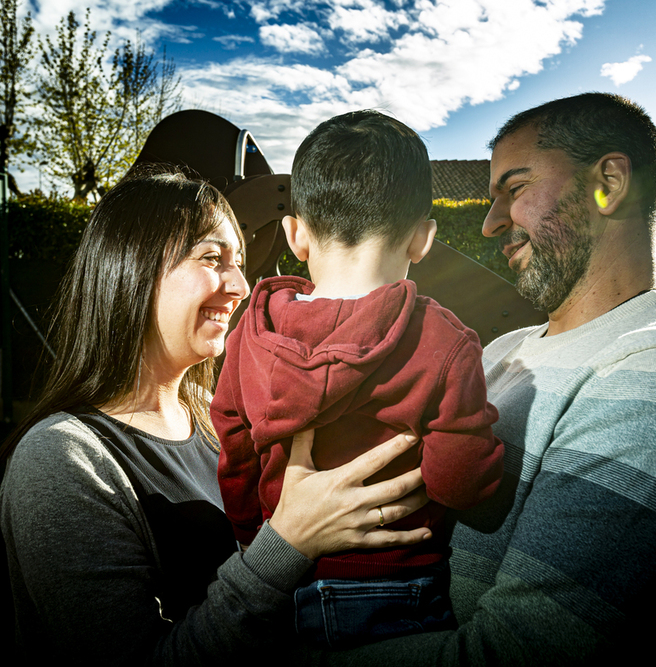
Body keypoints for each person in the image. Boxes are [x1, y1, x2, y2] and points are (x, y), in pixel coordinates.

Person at [312, 93, 656, 665]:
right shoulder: (503, 353)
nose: (490, 222)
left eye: (515, 188)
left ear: (610, 183)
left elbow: (513, 658)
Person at [0, 166, 432, 665]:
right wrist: (288, 542)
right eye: (212, 258)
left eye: (240, 262)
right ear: (131, 266)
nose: (242, 285)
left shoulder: (212, 417)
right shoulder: (61, 461)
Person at [212, 110, 504, 648]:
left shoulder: (249, 334)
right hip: (396, 586)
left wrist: (261, 542)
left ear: (294, 234)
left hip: (281, 579)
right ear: (422, 240)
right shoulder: (444, 343)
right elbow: (461, 483)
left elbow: (234, 450)